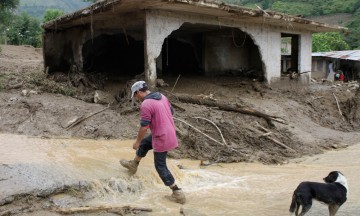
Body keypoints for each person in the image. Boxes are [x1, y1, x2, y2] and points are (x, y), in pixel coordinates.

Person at [120, 80, 186, 204]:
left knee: (160, 165)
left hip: (161, 136)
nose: (136, 98)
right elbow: (171, 112)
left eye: (135, 95)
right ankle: (134, 164)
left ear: (139, 92)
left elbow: (144, 127)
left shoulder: (146, 104)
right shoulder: (162, 96)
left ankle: (177, 192)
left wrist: (136, 142)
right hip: (169, 132)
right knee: (146, 143)